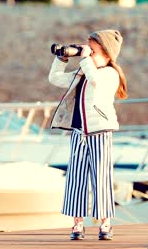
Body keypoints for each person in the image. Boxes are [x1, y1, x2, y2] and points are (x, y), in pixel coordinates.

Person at [48, 29, 127, 241]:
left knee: (101, 177)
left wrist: (85, 60)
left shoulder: (110, 74)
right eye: (87, 49)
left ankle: (105, 224)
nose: (87, 53)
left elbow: (97, 82)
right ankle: (77, 225)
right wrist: (62, 59)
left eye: (92, 50)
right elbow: (54, 78)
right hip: (79, 131)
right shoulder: (84, 72)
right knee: (76, 177)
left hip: (100, 131)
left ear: (108, 55)